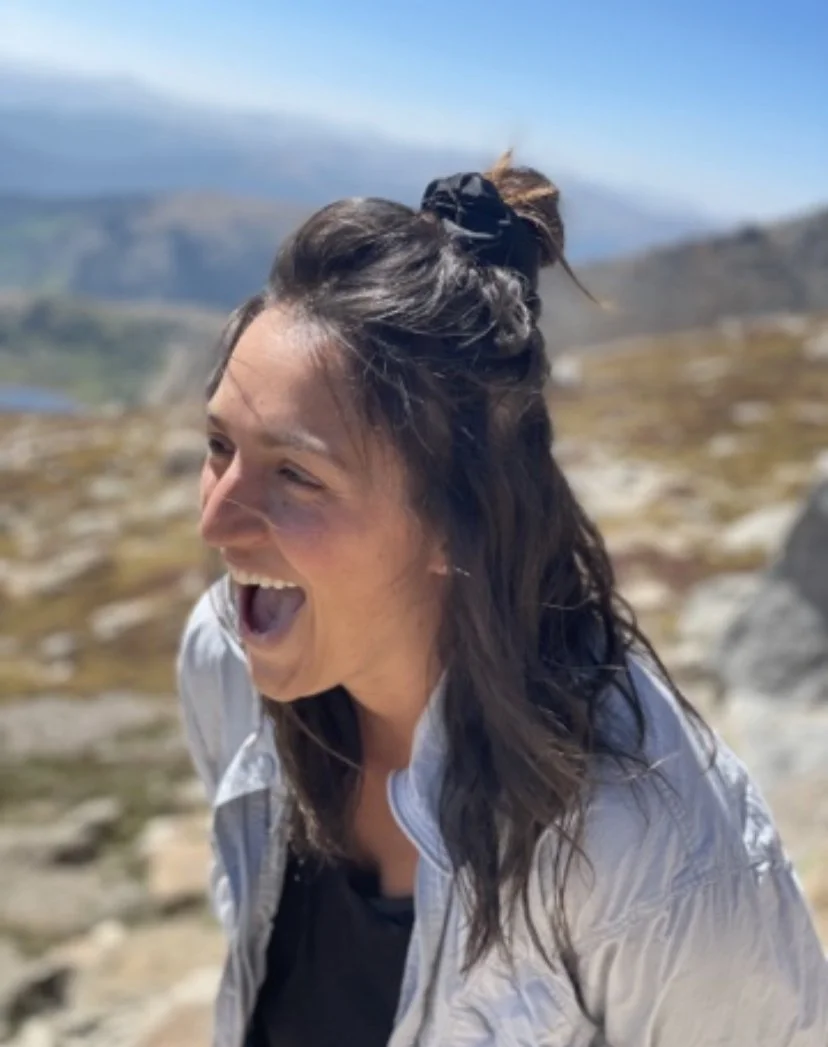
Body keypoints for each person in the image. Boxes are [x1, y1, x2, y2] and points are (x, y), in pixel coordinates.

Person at [177, 154, 828, 1047]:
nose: (215, 521)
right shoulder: (225, 657)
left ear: (460, 517)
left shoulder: (649, 847)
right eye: (220, 445)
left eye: (296, 474)